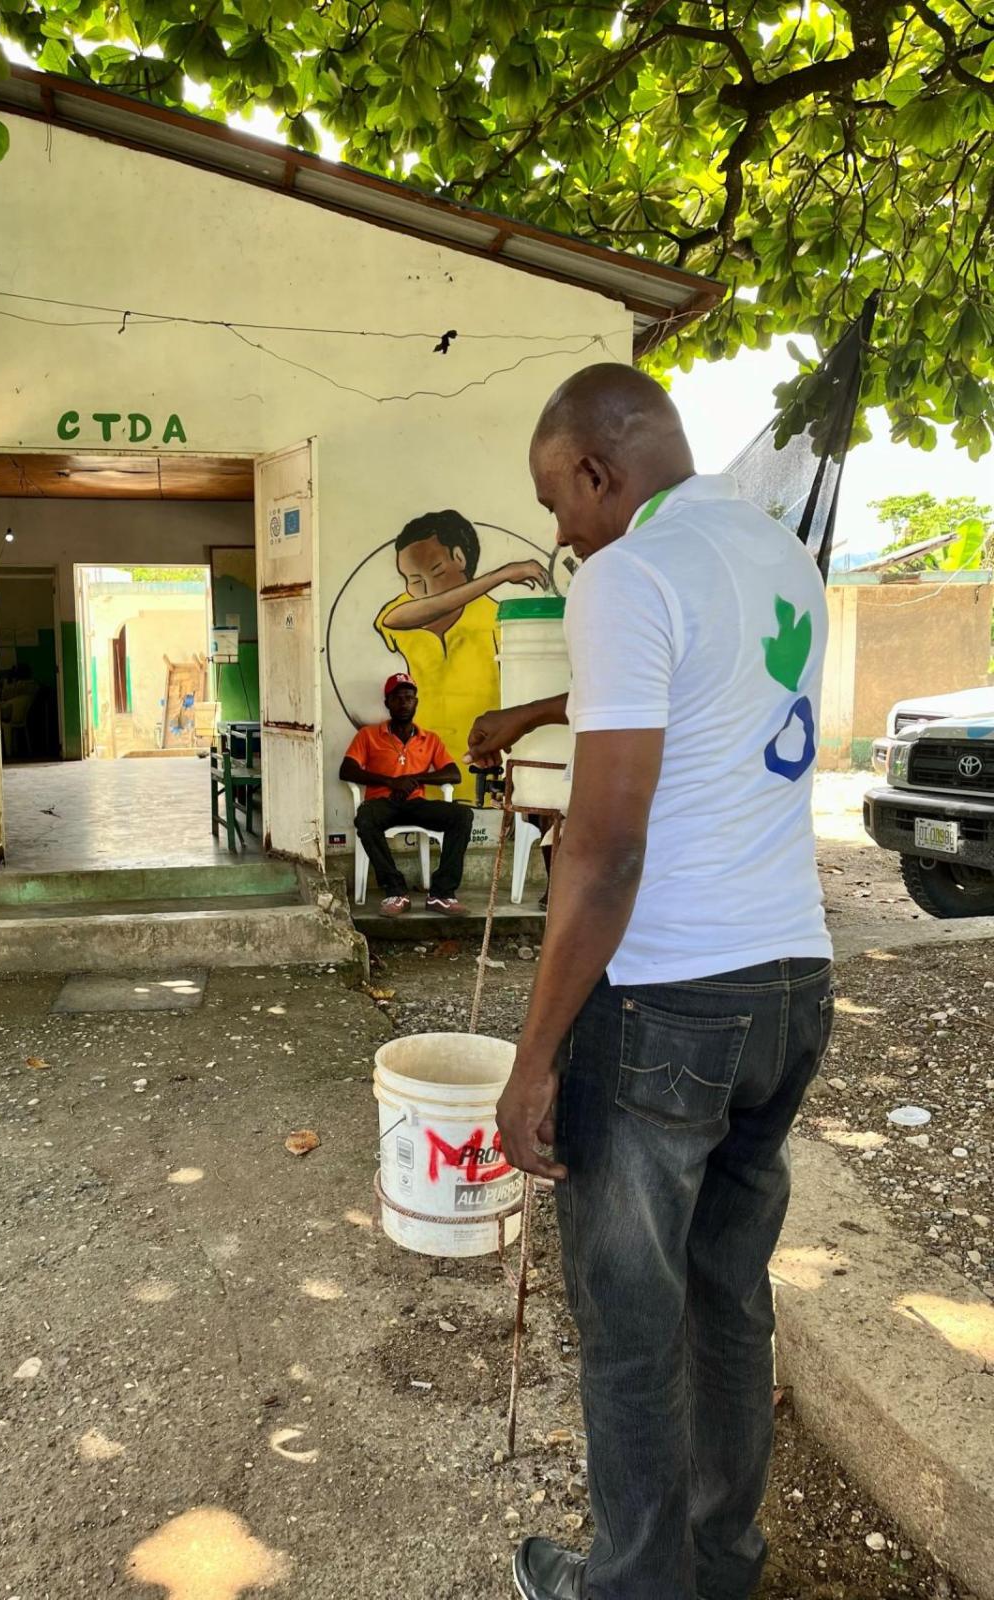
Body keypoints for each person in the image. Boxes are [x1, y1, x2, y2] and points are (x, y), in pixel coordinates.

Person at [470, 365, 833, 1600]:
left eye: (556, 500)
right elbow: (694, 695)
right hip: (791, 988)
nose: (560, 533)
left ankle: (632, 1588)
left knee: (629, 1327)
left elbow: (607, 846)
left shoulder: (627, 574)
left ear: (597, 469)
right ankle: (720, 1563)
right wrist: (537, 711)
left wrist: (533, 1058)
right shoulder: (781, 557)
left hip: (671, 1000)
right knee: (727, 1300)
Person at [374, 510, 547, 802]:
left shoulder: (497, 618)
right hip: (422, 767)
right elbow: (405, 617)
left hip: (480, 759)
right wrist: (502, 574)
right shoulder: (401, 612)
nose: (424, 589)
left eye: (436, 571)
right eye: (413, 580)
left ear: (460, 558)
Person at [341, 673, 472, 917]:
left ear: (416, 703)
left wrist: (415, 780)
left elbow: (454, 774)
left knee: (462, 815)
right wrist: (392, 782)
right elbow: (346, 769)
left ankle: (441, 894)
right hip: (383, 803)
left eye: (409, 698)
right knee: (365, 818)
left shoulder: (429, 739)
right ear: (387, 702)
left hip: (416, 804)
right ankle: (396, 891)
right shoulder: (368, 735)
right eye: (397, 698)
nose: (403, 703)